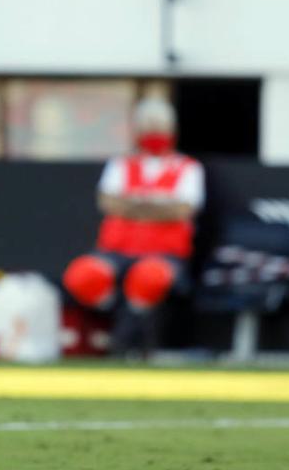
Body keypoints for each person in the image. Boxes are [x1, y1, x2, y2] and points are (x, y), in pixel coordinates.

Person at [62, 97, 204, 358]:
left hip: (164, 254)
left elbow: (184, 209)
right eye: (147, 125)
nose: (153, 131)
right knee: (83, 275)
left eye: (158, 125)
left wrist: (134, 206)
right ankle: (115, 315)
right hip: (116, 251)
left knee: (148, 276)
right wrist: (158, 207)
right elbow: (109, 203)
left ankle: (129, 340)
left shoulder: (187, 168)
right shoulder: (121, 164)